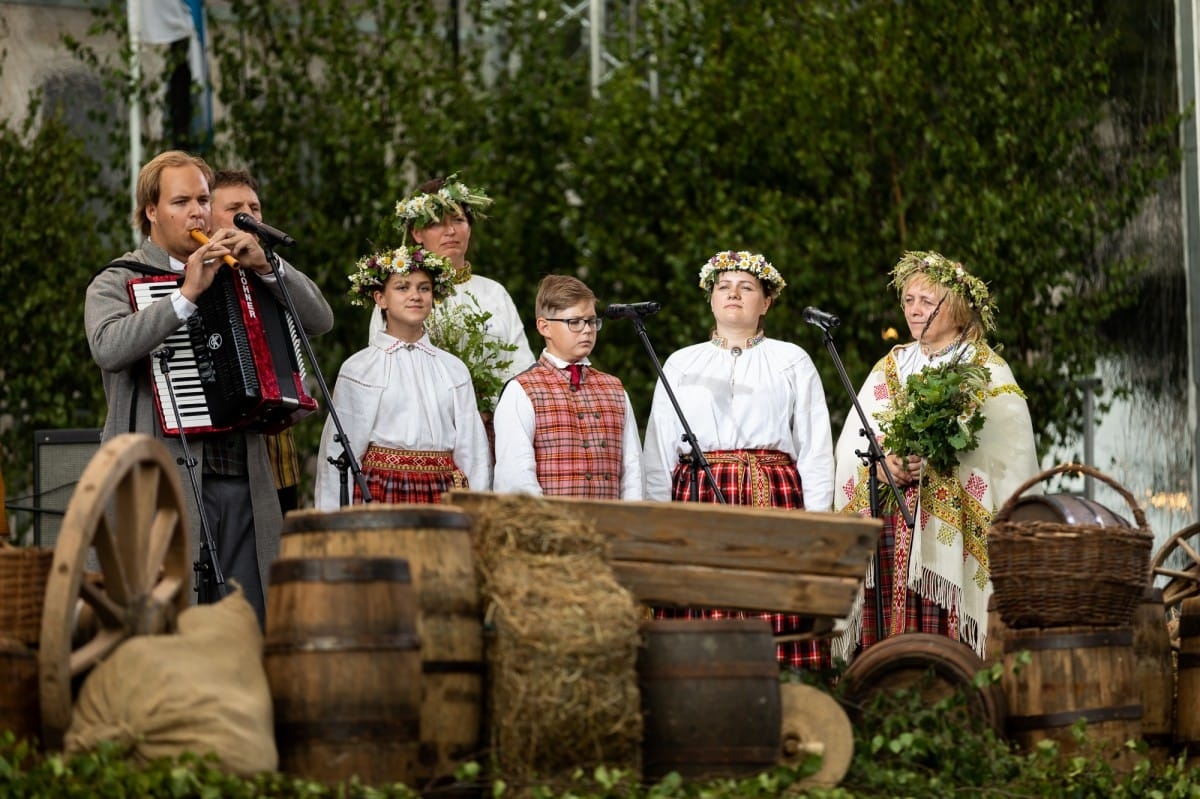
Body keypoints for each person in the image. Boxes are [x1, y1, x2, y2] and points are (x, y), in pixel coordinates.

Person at [84, 150, 334, 624]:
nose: (197, 211)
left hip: (242, 476)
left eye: (202, 199)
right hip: (161, 484)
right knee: (165, 617)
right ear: (151, 212)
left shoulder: (238, 270)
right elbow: (108, 347)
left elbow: (320, 319)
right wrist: (183, 297)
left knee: (246, 617)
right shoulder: (119, 278)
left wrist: (267, 267)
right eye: (181, 202)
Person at [831, 250, 1038, 664]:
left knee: (946, 630)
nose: (914, 310)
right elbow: (854, 438)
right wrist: (882, 462)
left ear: (957, 307)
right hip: (889, 525)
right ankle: (886, 693)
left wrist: (945, 461)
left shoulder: (986, 369)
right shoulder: (890, 366)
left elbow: (1006, 452)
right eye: (908, 300)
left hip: (955, 525)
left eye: (927, 301)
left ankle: (950, 696)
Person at [642, 250, 836, 667]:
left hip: (772, 495)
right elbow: (658, 452)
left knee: (772, 605)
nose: (733, 294)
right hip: (697, 496)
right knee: (702, 604)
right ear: (710, 299)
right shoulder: (681, 362)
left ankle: (786, 700)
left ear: (765, 303)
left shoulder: (791, 360)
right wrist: (659, 525)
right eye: (723, 287)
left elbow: (816, 447)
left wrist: (816, 526)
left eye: (746, 287)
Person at [314, 245, 491, 509]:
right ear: (380, 299)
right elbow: (339, 453)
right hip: (382, 492)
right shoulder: (360, 368)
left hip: (442, 492)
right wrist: (330, 521)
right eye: (402, 287)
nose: (415, 296)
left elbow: (473, 451)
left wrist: (479, 512)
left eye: (424, 288)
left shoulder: (452, 369)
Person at [370, 174, 536, 393]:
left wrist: (493, 408)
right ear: (417, 233)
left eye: (458, 220)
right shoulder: (400, 294)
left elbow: (521, 365)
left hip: (497, 419)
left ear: (469, 228)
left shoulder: (494, 292)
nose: (450, 231)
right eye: (437, 223)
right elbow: (382, 366)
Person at [492, 275, 643, 499]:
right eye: (574, 322)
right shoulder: (521, 390)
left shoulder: (615, 389)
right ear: (544, 327)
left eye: (592, 321)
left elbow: (633, 472)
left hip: (611, 529)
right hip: (552, 528)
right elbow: (515, 477)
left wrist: (630, 527)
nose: (587, 330)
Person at [210, 168, 302, 515]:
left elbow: (320, 318)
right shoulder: (195, 271)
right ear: (207, 215)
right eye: (236, 208)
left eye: (255, 207)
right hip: (223, 457)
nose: (249, 216)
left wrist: (267, 267)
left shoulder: (267, 266)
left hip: (276, 450)